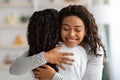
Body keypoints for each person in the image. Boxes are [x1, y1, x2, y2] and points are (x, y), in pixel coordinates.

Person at [9, 8, 87, 80]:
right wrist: (46, 56)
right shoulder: (39, 52)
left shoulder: (37, 53)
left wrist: (53, 76)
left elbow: (13, 70)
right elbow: (14, 69)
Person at [33, 5, 107, 80]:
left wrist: (53, 77)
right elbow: (21, 64)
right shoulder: (53, 43)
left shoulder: (94, 49)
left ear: (86, 31)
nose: (71, 34)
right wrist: (46, 56)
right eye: (66, 29)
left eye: (77, 30)